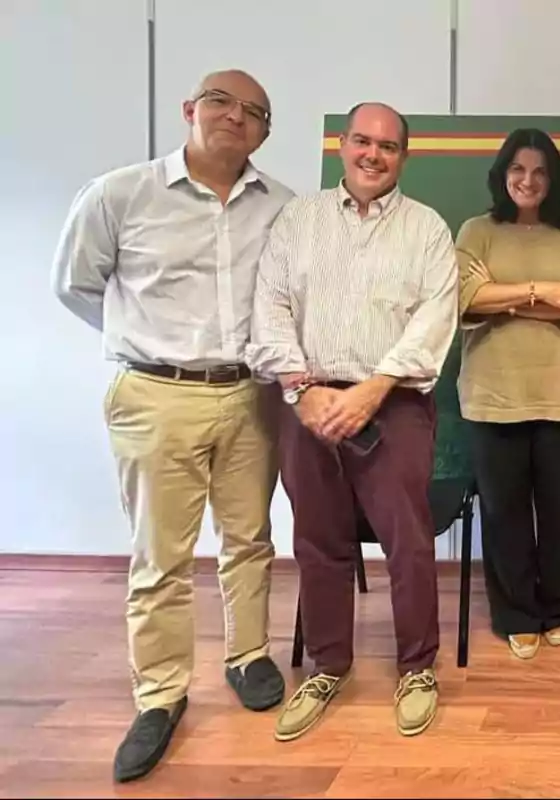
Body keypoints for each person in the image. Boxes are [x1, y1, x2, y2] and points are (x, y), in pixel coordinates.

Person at [50, 69, 292, 782]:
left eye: (254, 111)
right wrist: (141, 342)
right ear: (190, 109)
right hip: (156, 395)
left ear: (264, 131)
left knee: (250, 539)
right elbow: (76, 283)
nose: (235, 117)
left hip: (250, 393)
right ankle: (159, 694)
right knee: (162, 556)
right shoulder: (121, 194)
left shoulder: (282, 206)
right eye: (221, 102)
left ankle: (248, 657)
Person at [247, 102, 458, 742]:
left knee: (408, 540)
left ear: (404, 157)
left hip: (393, 402)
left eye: (388, 146)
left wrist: (373, 388)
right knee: (317, 538)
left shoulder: (427, 229)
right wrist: (302, 388)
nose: (374, 155)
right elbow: (272, 307)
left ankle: (417, 668)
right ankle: (327, 664)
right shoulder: (298, 220)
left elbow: (433, 317)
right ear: (342, 145)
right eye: (363, 142)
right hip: (305, 401)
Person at [455, 128, 560, 660]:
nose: (528, 180)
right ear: (502, 174)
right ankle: (515, 613)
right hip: (492, 396)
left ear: (552, 179)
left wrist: (500, 297)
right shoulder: (477, 229)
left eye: (539, 171)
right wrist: (540, 292)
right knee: (504, 512)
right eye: (518, 169)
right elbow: (461, 297)